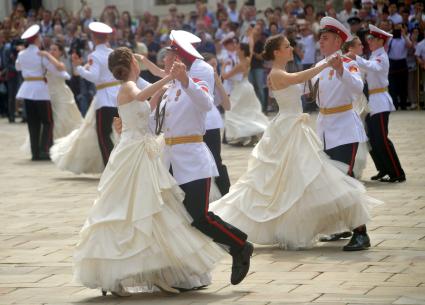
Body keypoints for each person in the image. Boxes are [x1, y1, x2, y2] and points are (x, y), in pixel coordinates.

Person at [73, 47, 225, 297]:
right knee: (134, 208)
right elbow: (141, 94)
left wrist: (165, 87)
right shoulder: (127, 86)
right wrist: (168, 78)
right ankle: (117, 275)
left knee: (155, 210)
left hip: (144, 150)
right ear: (133, 62)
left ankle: (161, 271)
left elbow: (148, 106)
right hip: (134, 153)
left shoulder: (130, 87)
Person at [211, 34, 381, 251]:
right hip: (290, 129)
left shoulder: (288, 72)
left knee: (310, 179)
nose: (291, 48)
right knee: (305, 178)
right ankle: (351, 228)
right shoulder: (278, 73)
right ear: (276, 52)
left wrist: (333, 66)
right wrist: (326, 64)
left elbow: (308, 87)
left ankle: (349, 227)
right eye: (287, 46)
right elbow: (302, 79)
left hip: (301, 127)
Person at [154, 30, 253, 286]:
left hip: (192, 160)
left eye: (168, 54)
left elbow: (206, 103)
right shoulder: (171, 88)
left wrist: (186, 80)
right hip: (170, 160)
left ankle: (239, 245)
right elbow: (158, 122)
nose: (163, 59)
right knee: (178, 218)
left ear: (179, 57)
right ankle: (186, 274)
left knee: (200, 217)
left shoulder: (194, 80)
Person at [307, 17, 371, 251]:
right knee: (332, 182)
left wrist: (340, 69)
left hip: (345, 130)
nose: (321, 42)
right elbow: (307, 88)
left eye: (325, 38)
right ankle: (342, 226)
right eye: (320, 38)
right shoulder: (320, 66)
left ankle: (361, 233)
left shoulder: (347, 63)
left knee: (346, 181)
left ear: (337, 41)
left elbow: (357, 88)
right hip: (325, 129)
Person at [349, 25, 405, 183]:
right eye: (369, 39)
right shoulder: (374, 55)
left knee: (381, 139)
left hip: (380, 102)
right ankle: (383, 169)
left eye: (372, 39)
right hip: (371, 103)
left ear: (381, 40)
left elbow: (373, 67)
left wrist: (356, 58)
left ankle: (397, 172)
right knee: (372, 139)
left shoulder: (381, 57)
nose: (369, 41)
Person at [71, 22, 119, 166]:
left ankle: (109, 166)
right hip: (118, 95)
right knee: (119, 133)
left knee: (103, 134)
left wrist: (79, 68)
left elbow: (94, 76)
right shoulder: (113, 53)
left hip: (104, 98)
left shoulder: (95, 55)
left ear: (94, 38)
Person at [15, 25, 53, 161]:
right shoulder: (41, 54)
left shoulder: (21, 54)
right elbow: (51, 68)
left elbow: (18, 67)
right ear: (36, 39)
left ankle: (35, 153)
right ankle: (45, 150)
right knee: (48, 121)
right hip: (41, 90)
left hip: (27, 89)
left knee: (33, 122)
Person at [222, 40, 269, 146]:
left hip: (240, 89)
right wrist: (251, 37)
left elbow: (225, 76)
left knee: (233, 112)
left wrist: (224, 65)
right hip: (247, 87)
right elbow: (251, 50)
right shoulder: (248, 60)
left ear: (242, 51)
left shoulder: (240, 65)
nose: (236, 50)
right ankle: (251, 135)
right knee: (247, 112)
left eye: (238, 49)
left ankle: (245, 135)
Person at [38, 41, 82, 139]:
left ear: (61, 52)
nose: (52, 51)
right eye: (51, 49)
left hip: (62, 95)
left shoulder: (61, 63)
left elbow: (59, 67)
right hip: (48, 95)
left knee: (62, 118)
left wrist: (46, 54)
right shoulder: (46, 64)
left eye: (55, 50)